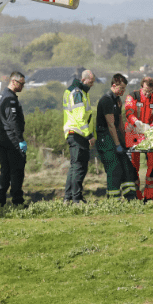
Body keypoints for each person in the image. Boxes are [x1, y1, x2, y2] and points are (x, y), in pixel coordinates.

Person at [96, 73, 136, 199]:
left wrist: (126, 142)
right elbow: (111, 124)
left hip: (115, 136)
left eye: (124, 89)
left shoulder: (117, 101)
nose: (123, 91)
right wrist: (118, 144)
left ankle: (130, 197)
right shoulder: (106, 100)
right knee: (114, 169)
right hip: (106, 138)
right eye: (121, 88)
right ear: (114, 86)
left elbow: (120, 124)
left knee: (127, 166)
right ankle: (113, 200)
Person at [124, 76, 153, 200]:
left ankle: (149, 197)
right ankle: (135, 197)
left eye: (150, 91)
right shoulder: (132, 96)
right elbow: (129, 112)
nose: (147, 93)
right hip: (133, 133)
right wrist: (137, 123)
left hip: (149, 133)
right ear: (141, 87)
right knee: (133, 165)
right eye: (145, 90)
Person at [0, 72, 28, 207]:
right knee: (17, 170)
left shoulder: (0, 96)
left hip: (2, 136)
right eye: (21, 84)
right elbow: (13, 122)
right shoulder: (10, 99)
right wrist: (20, 140)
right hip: (12, 138)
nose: (23, 87)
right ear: (14, 81)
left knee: (5, 170)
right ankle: (17, 201)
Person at [62, 69, 97, 203]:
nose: (92, 84)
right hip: (78, 133)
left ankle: (68, 197)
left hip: (74, 132)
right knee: (79, 167)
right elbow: (80, 116)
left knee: (75, 166)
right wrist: (89, 135)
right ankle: (76, 199)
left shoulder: (75, 91)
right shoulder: (77, 93)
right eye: (91, 82)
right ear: (83, 79)